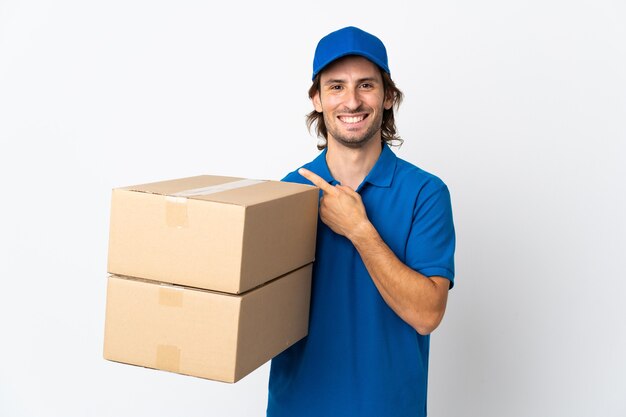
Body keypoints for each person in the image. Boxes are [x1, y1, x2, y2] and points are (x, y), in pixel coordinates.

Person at [267, 26, 456, 417]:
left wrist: (358, 228)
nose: (351, 101)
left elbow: (427, 315)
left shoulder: (426, 193)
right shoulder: (288, 192)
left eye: (365, 85)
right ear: (317, 99)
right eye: (336, 86)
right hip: (297, 408)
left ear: (388, 96)